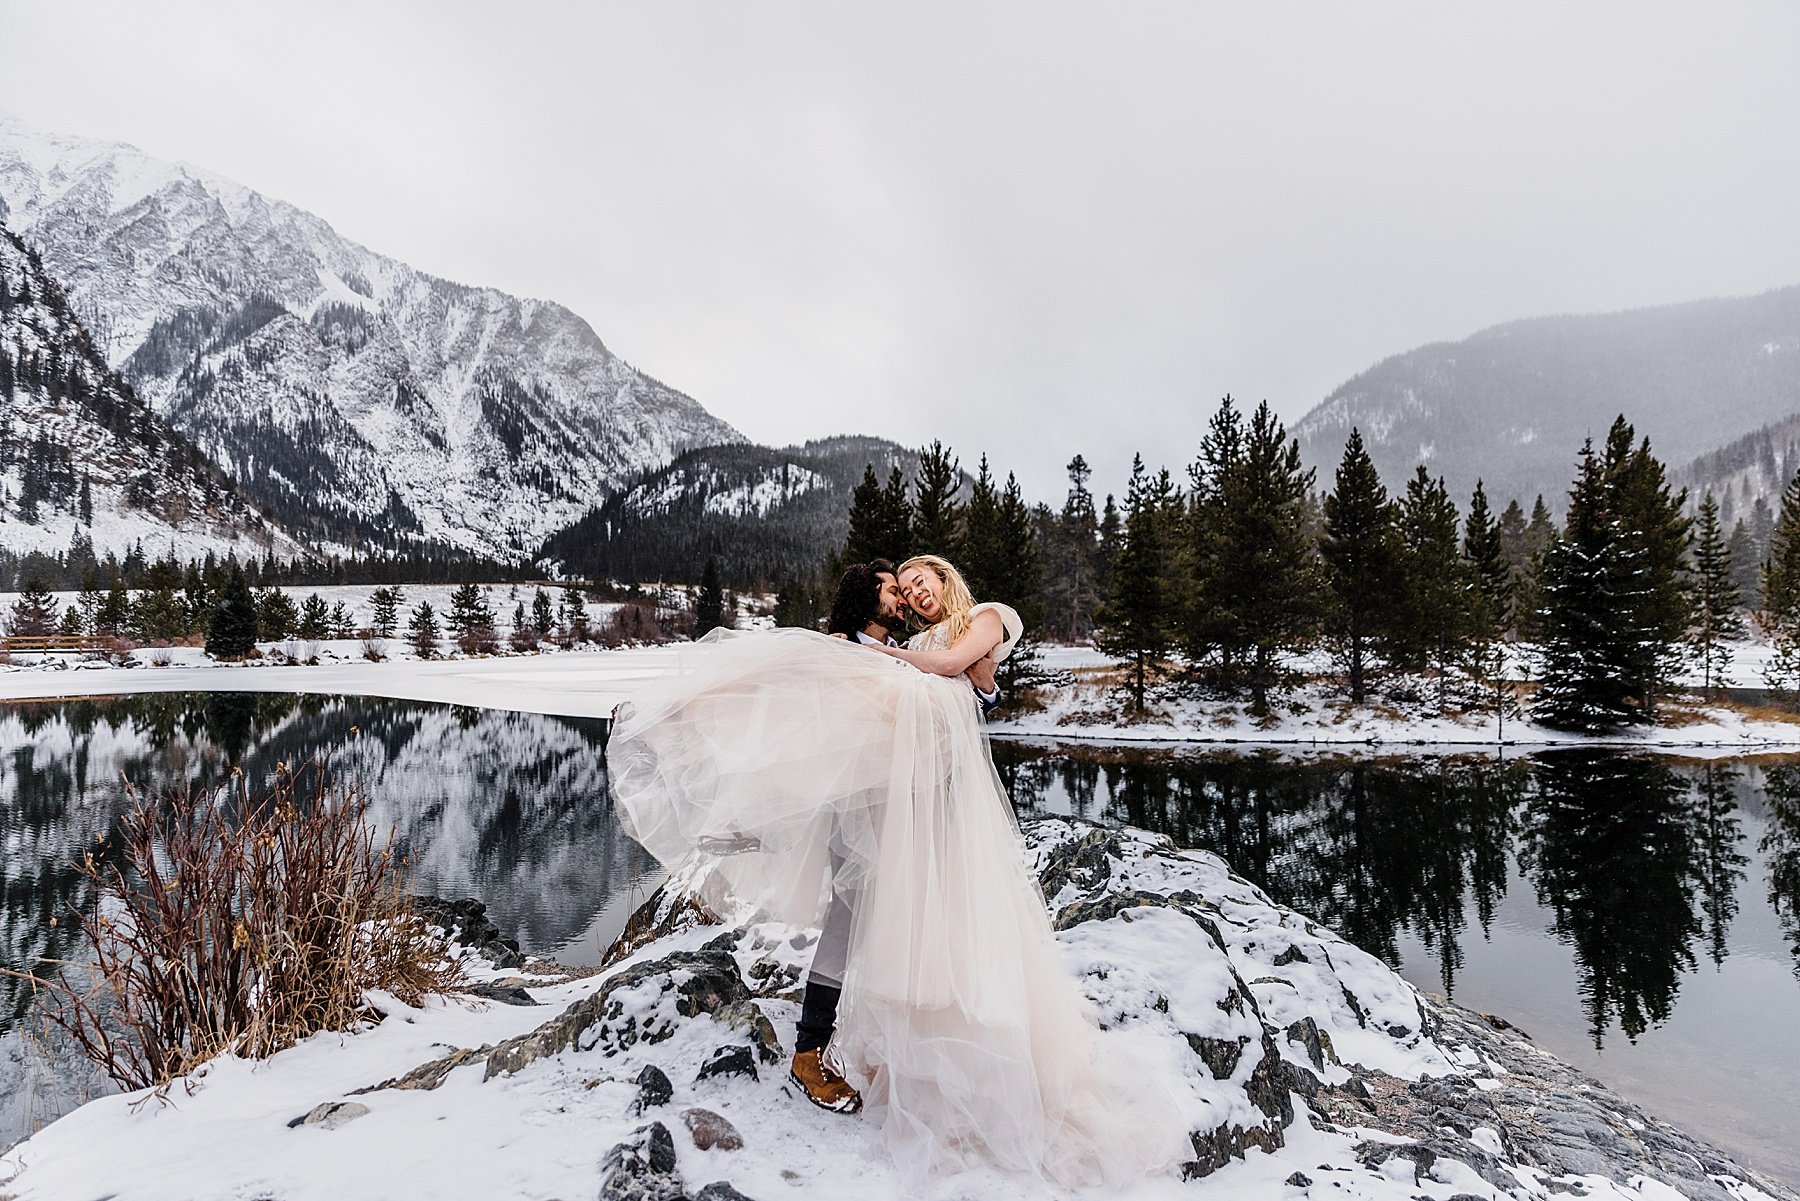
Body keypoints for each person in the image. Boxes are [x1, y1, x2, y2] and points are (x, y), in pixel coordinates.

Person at [607, 554, 1186, 1189]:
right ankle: (810, 1048)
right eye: (896, 588)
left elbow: (950, 681)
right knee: (854, 919)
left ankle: (915, 1056)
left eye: (913, 585)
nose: (906, 594)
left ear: (943, 579)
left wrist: (917, 666)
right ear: (874, 600)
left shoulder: (952, 633)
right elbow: (788, 695)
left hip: (929, 815)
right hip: (867, 814)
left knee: (921, 927)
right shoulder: (852, 647)